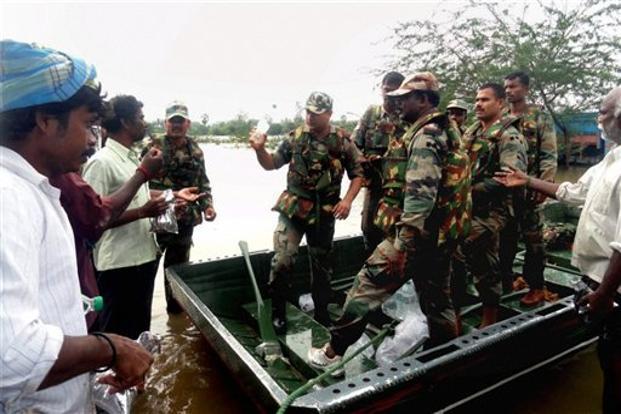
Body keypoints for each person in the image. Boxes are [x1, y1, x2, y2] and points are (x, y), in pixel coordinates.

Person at [0, 39, 152, 412]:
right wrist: (111, 347)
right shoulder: (8, 197)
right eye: (88, 124)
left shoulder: (33, 189)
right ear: (45, 121)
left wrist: (88, 373)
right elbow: (10, 358)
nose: (90, 140)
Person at [308, 73, 472, 374]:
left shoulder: (425, 136)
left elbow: (421, 192)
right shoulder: (444, 131)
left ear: (423, 100)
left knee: (363, 290)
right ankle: (448, 355)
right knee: (437, 300)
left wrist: (403, 246)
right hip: (439, 237)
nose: (399, 103)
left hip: (415, 237)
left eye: (406, 97)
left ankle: (332, 354)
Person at [494, 86, 621, 414]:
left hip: (613, 288)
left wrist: (605, 295)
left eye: (604, 111)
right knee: (608, 360)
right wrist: (527, 180)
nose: (599, 117)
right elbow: (574, 192)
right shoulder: (612, 158)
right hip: (598, 281)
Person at [249, 91, 364, 333]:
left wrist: (348, 201)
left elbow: (358, 174)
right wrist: (260, 150)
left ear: (329, 115)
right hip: (294, 210)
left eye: (316, 113)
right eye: (308, 112)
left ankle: (321, 312)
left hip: (324, 212)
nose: (310, 117)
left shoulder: (343, 141)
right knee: (282, 260)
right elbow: (271, 164)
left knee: (322, 266)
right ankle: (279, 311)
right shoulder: (295, 138)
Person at [83, 95, 165, 339]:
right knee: (116, 340)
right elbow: (92, 219)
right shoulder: (101, 163)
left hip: (142, 259)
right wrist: (143, 212)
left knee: (138, 338)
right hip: (119, 266)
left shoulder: (131, 159)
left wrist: (173, 197)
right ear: (126, 122)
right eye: (140, 117)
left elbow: (138, 196)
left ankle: (136, 379)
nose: (145, 122)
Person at [456, 83, 528, 327]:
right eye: (476, 99)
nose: (478, 104)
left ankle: (490, 317)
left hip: (492, 210)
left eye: (485, 100)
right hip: (465, 207)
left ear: (500, 103)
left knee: (482, 261)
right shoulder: (472, 131)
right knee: (450, 254)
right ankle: (453, 311)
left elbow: (508, 177)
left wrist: (468, 192)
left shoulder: (510, 135)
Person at [145, 101, 216, 314]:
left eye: (181, 121)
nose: (176, 125)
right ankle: (143, 315)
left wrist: (208, 206)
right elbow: (138, 182)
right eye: (172, 121)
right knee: (147, 269)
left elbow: (203, 182)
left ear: (188, 124)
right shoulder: (152, 147)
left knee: (177, 274)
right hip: (156, 218)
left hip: (185, 220)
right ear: (165, 123)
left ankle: (174, 319)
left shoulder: (195, 150)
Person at [500, 70, 558, 306]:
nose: (508, 90)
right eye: (506, 87)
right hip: (505, 191)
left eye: (513, 86)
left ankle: (536, 286)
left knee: (533, 240)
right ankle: (506, 281)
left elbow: (549, 154)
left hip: (530, 189)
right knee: (505, 238)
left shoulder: (539, 116)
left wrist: (544, 186)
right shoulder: (502, 116)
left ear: (525, 89)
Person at [351, 71, 405, 255]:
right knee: (368, 226)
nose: (389, 95)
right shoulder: (371, 113)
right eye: (386, 90)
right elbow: (354, 144)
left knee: (394, 228)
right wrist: (363, 162)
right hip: (373, 181)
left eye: (394, 91)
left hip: (398, 185)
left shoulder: (406, 118)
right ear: (381, 89)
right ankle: (371, 264)